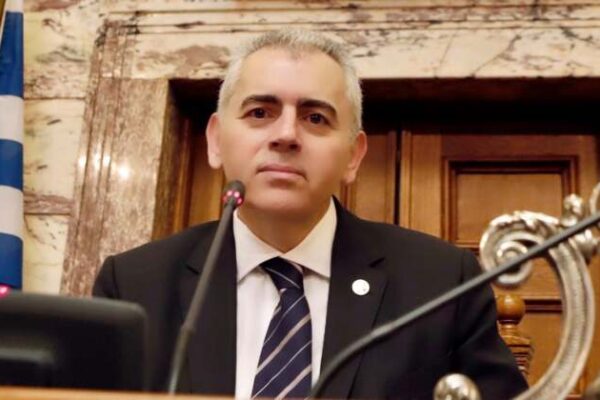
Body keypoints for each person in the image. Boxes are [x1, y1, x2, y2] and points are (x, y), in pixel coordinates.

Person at [93, 28, 528, 399]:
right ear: (216, 140)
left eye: (315, 118)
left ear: (353, 156)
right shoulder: (135, 285)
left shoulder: (442, 283)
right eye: (259, 113)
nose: (286, 135)